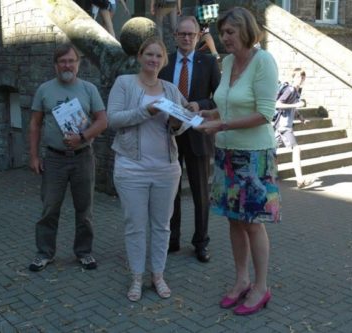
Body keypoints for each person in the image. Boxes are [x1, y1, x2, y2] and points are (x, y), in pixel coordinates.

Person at [196, 7, 281, 315]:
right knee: (234, 219)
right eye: (223, 33)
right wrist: (210, 113)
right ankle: (241, 279)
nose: (224, 38)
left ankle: (261, 287)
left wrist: (222, 125)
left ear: (246, 30)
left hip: (254, 156)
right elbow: (229, 104)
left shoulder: (263, 62)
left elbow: (265, 113)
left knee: (252, 222)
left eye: (230, 32)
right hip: (226, 153)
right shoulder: (229, 61)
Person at [107, 36, 187, 302]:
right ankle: (137, 277)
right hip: (131, 167)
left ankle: (158, 275)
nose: (154, 60)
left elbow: (183, 122)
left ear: (164, 60)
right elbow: (113, 119)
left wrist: (178, 123)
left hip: (166, 168)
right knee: (135, 225)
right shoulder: (125, 83)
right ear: (140, 56)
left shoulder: (171, 89)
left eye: (159, 56)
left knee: (162, 225)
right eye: (149, 55)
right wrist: (146, 111)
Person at [28, 43, 108, 272]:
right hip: (54, 159)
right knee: (49, 208)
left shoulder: (89, 89)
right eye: (62, 61)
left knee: (85, 210)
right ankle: (44, 253)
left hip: (83, 157)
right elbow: (34, 124)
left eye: (71, 61)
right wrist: (34, 156)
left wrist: (82, 136)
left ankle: (84, 252)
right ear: (55, 65)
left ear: (78, 64)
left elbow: (103, 121)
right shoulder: (45, 90)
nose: (67, 65)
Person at [159, 16, 220, 263]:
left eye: (191, 34)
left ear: (198, 36)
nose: (186, 38)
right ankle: (172, 240)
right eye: (182, 34)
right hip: (170, 135)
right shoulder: (165, 62)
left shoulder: (209, 62)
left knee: (200, 193)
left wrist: (201, 104)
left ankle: (200, 242)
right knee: (171, 192)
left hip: (197, 134)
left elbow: (220, 98)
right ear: (175, 36)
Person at [273, 68, 314, 189]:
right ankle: (300, 180)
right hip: (283, 126)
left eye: (302, 77)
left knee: (271, 151)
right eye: (298, 77)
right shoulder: (290, 89)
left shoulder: (297, 91)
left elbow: (292, 108)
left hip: (279, 126)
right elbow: (278, 104)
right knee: (297, 149)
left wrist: (301, 117)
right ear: (293, 78)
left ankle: (272, 178)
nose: (300, 79)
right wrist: (295, 105)